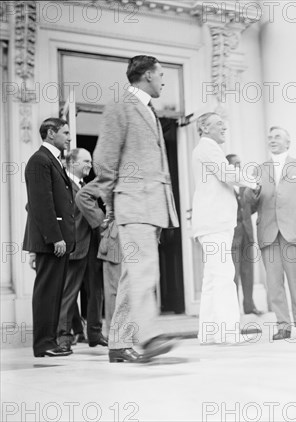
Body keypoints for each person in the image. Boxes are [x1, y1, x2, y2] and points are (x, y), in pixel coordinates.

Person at [93, 55, 180, 362]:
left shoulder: (148, 110)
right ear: (146, 76)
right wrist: (113, 202)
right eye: (161, 74)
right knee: (144, 271)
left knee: (134, 275)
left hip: (150, 206)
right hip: (134, 202)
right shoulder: (122, 106)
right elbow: (104, 159)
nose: (163, 80)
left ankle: (118, 343)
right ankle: (148, 336)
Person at [244, 126, 296, 340]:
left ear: (288, 142)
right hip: (269, 232)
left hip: (294, 230)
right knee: (274, 282)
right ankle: (283, 326)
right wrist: (253, 193)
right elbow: (249, 206)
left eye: (277, 137)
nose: (272, 140)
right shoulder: (259, 169)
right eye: (269, 137)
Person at [191, 113, 257, 344]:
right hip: (214, 223)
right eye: (219, 124)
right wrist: (252, 180)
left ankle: (208, 334)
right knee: (223, 276)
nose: (224, 127)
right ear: (204, 128)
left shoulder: (207, 149)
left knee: (212, 279)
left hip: (212, 223)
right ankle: (229, 332)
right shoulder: (208, 148)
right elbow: (227, 173)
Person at [23, 118, 75, 357]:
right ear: (51, 133)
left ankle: (50, 342)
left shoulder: (53, 160)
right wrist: (55, 238)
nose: (69, 137)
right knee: (47, 292)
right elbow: (40, 204)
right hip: (52, 242)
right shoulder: (39, 160)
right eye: (65, 132)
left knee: (54, 292)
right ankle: (43, 344)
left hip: (57, 240)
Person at [57, 148, 107, 350]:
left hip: (94, 247)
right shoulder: (60, 183)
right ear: (72, 163)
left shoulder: (86, 186)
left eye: (91, 161)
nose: (90, 164)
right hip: (74, 248)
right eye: (86, 161)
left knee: (96, 292)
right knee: (69, 294)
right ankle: (63, 338)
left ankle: (95, 334)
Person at [76, 178, 123, 341]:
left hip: (137, 235)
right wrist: (101, 221)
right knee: (114, 288)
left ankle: (127, 332)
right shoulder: (114, 173)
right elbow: (83, 196)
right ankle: (114, 334)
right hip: (116, 235)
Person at [226, 153, 263, 316]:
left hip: (248, 234)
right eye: (235, 164)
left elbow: (252, 207)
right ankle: (233, 308)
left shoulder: (245, 186)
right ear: (228, 167)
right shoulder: (224, 186)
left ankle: (249, 306)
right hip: (232, 235)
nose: (239, 167)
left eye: (240, 164)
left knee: (248, 272)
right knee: (233, 273)